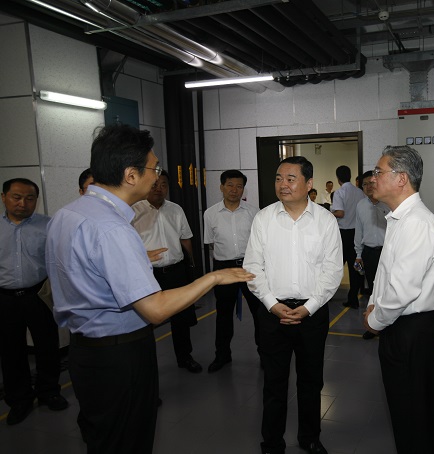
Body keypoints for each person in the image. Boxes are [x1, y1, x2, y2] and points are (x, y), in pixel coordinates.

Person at [45, 124, 253, 454]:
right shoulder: (113, 228)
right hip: (118, 355)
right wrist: (213, 278)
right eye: (154, 169)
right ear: (131, 175)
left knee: (103, 438)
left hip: (85, 350)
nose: (157, 177)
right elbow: (155, 309)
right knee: (128, 440)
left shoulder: (67, 213)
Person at [243, 156, 343, 454]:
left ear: (308, 183)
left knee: (311, 381)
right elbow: (253, 267)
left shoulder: (325, 221)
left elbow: (332, 271)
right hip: (272, 314)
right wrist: (272, 304)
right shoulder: (264, 218)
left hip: (312, 314)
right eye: (278, 178)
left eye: (290, 179)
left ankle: (310, 437)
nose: (282, 185)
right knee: (274, 382)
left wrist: (309, 307)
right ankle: (272, 441)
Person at [363, 146, 434, 454]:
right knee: (406, 414)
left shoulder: (415, 222)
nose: (373, 179)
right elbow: (387, 276)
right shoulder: (401, 219)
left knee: (414, 417)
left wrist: (374, 320)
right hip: (401, 326)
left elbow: (402, 290)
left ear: (401, 179)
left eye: (378, 172)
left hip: (411, 331)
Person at [0, 178, 68, 426]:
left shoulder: (48, 225)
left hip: (38, 294)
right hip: (5, 298)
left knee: (47, 345)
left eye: (30, 198)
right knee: (11, 351)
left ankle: (49, 391)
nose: (23, 203)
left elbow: (59, 260)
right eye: (16, 197)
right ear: (4, 197)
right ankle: (19, 399)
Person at [132, 170, 202, 374]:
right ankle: (145, 366)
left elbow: (185, 239)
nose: (159, 189)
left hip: (176, 271)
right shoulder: (134, 211)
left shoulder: (176, 209)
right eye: (154, 184)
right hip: (148, 274)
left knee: (181, 318)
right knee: (145, 322)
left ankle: (185, 357)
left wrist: (191, 266)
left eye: (163, 185)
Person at [203, 169, 261, 372]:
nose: (234, 190)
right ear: (221, 187)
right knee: (223, 314)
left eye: (239, 186)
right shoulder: (210, 214)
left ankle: (265, 354)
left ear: (244, 189)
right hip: (223, 268)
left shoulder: (254, 212)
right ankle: (222, 355)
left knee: (259, 313)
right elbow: (211, 243)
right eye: (230, 185)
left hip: (250, 266)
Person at [354, 170, 390, 340]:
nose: (368, 186)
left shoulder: (388, 203)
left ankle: (388, 325)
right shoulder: (360, 205)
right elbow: (359, 231)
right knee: (373, 291)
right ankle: (374, 325)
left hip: (387, 252)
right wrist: (358, 254)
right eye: (365, 184)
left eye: (371, 183)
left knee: (387, 290)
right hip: (368, 253)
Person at [331, 165, 365, 309]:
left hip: (343, 234)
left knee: (336, 266)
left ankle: (327, 295)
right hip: (357, 233)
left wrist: (328, 213)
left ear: (338, 178)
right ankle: (353, 299)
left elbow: (340, 213)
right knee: (355, 267)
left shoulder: (340, 193)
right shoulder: (360, 192)